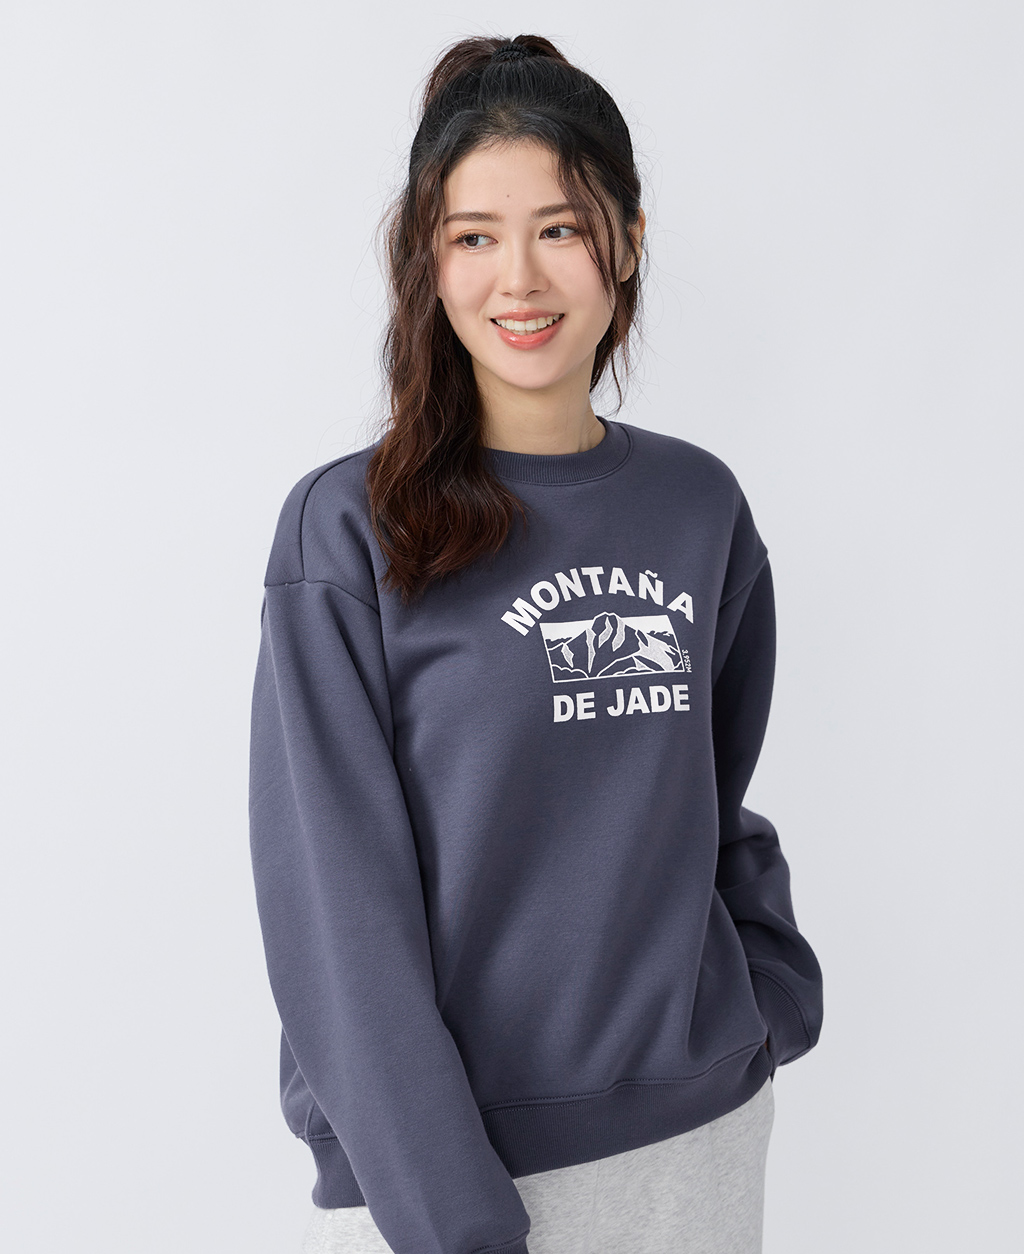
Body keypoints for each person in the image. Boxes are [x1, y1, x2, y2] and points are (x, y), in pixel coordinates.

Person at [248, 32, 824, 1254]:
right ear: (428, 261)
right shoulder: (350, 531)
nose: (519, 277)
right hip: (455, 1176)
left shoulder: (696, 507)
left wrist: (765, 998)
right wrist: (453, 1216)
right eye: (473, 237)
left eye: (559, 228)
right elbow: (335, 911)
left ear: (628, 240)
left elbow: (711, 798)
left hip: (700, 1140)